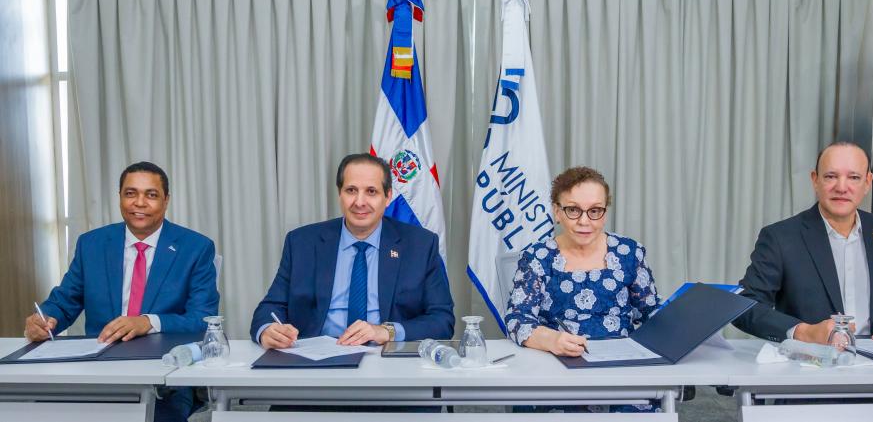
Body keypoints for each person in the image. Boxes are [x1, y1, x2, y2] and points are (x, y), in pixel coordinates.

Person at [25, 161, 219, 422]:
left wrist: (148, 321)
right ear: (120, 198)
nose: (140, 203)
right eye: (131, 193)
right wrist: (45, 318)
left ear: (166, 200)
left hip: (163, 377)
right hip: (98, 370)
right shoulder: (92, 244)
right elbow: (65, 300)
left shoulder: (195, 247)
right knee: (40, 411)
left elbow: (203, 318)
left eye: (151, 195)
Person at [250, 153, 454, 349]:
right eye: (351, 190)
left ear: (388, 196)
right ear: (340, 193)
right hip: (317, 362)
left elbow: (442, 320)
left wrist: (387, 332)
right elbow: (269, 308)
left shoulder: (420, 245)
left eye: (371, 191)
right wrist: (268, 330)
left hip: (386, 359)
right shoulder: (302, 243)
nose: (359, 202)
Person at [734, 141, 873, 345]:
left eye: (854, 177)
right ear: (815, 180)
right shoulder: (780, 237)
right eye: (831, 176)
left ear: (868, 182)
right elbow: (744, 305)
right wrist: (803, 332)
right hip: (810, 365)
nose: (841, 187)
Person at [504, 166, 662, 413]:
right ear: (557, 211)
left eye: (595, 211)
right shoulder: (537, 257)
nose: (584, 221)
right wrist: (553, 340)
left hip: (621, 375)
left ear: (605, 212)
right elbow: (517, 320)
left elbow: (652, 313)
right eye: (573, 210)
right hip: (556, 370)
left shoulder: (630, 252)